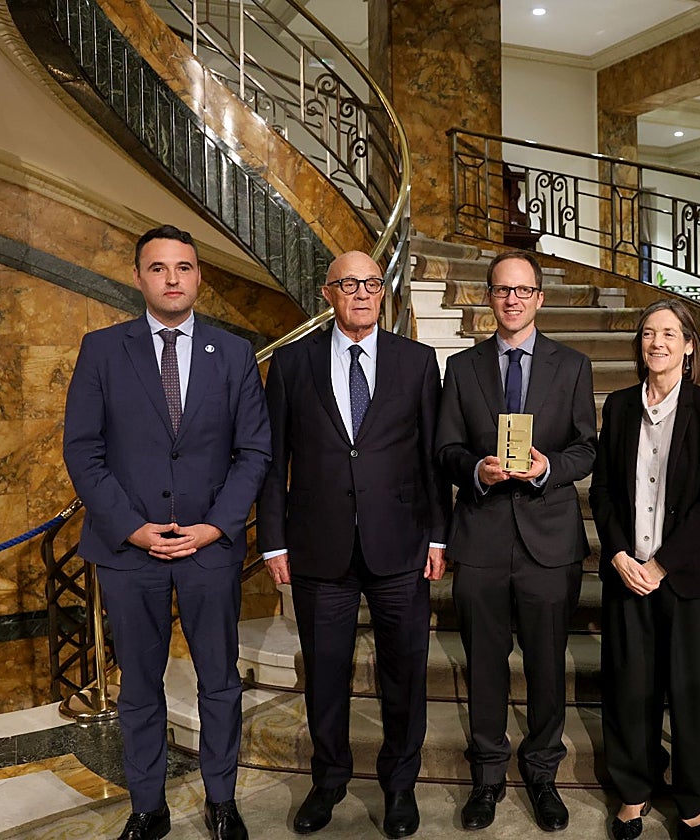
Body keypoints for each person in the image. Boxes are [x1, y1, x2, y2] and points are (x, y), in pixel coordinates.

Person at [63, 225, 271, 840]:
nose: (172, 278)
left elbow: (254, 452)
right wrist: (132, 529)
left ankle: (222, 802)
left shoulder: (233, 354)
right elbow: (84, 451)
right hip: (130, 553)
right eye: (159, 268)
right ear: (138, 277)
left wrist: (215, 526)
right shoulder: (102, 350)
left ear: (200, 277)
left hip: (209, 549)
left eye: (183, 267)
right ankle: (147, 808)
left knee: (220, 681)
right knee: (139, 688)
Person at [256, 251, 450, 839]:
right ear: (327, 293)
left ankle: (399, 786)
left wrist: (440, 534)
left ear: (383, 291)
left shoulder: (417, 362)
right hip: (319, 549)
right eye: (348, 284)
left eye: (371, 283)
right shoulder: (292, 364)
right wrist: (272, 541)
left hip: (402, 546)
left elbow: (433, 459)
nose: (362, 293)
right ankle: (329, 779)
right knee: (326, 671)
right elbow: (273, 461)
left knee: (404, 673)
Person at [435, 250, 596, 832]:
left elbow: (587, 447)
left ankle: (543, 771)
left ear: (539, 299)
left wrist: (549, 466)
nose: (513, 300)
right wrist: (477, 469)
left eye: (523, 290)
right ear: (489, 296)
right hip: (480, 539)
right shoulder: (461, 367)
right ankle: (487, 775)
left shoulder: (573, 365)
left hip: (549, 540)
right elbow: (446, 449)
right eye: (502, 290)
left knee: (548, 665)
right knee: (484, 664)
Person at [589, 299, 700, 840]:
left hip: (687, 576)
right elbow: (603, 488)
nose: (657, 343)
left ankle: (693, 798)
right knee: (631, 688)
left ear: (689, 344)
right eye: (649, 334)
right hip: (629, 571)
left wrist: (663, 563)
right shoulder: (621, 405)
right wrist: (622, 554)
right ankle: (634, 791)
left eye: (669, 334)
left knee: (692, 690)